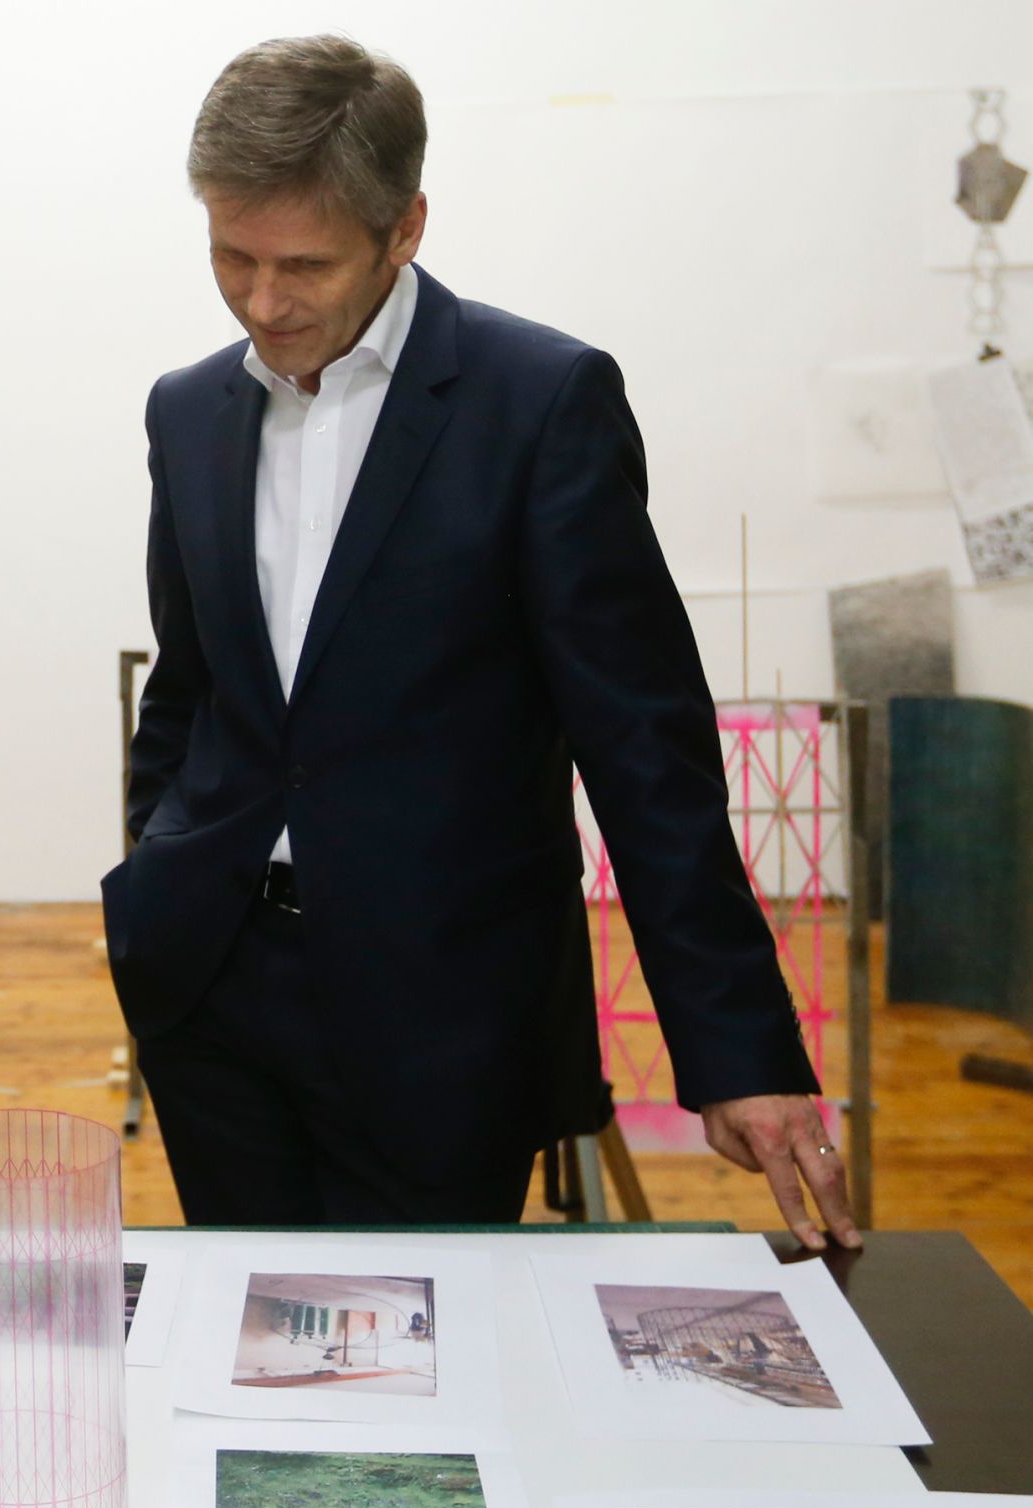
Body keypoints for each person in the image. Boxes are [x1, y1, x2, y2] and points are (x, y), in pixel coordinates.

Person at [102, 35, 861, 1250]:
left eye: (303, 265)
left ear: (402, 228)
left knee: (428, 1351)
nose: (261, 301)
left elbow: (643, 748)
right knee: (246, 1332)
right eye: (231, 256)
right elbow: (188, 684)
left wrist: (738, 1045)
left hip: (442, 1017)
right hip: (216, 996)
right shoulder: (186, 409)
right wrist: (160, 859)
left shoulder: (540, 403)